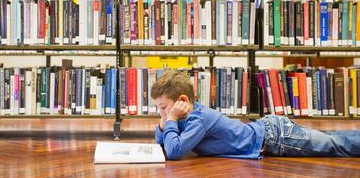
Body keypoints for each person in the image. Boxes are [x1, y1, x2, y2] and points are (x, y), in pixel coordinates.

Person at [152, 70, 360, 160]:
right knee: (333, 138)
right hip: (270, 134)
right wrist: (164, 123)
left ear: (183, 101)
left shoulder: (199, 118)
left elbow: (175, 152)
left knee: (335, 146)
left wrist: (169, 119)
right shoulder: (182, 117)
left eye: (163, 107)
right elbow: (164, 145)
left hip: (276, 137)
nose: (161, 112)